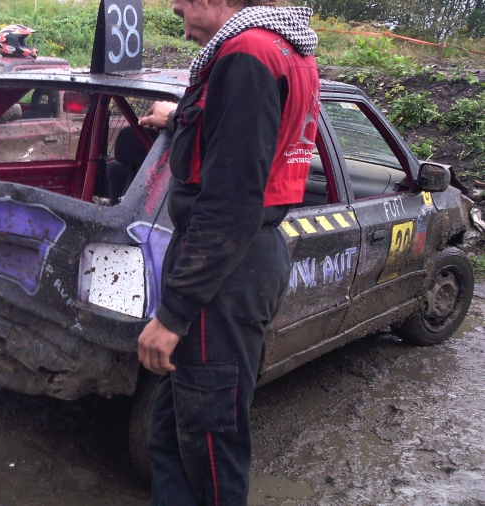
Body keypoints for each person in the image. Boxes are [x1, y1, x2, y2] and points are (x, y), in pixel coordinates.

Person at [136, 0, 320, 504]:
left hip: (223, 271)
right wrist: (178, 118)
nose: (177, 15)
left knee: (210, 452)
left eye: (181, 7)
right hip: (241, 261)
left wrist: (172, 314)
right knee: (172, 434)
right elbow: (240, 135)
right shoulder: (284, 49)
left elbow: (232, 199)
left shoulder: (247, 55)